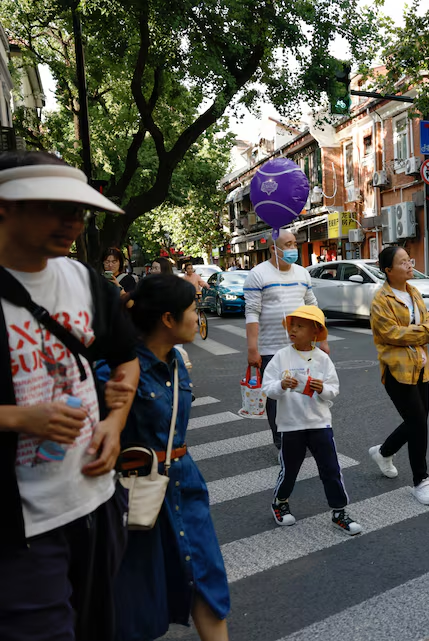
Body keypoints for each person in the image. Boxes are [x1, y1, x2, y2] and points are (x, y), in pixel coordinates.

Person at [0, 151, 140, 640]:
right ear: (5, 207)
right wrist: (19, 419)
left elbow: (126, 357)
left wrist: (114, 424)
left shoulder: (82, 280)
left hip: (97, 504)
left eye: (80, 211)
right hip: (21, 532)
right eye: (56, 208)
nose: (74, 223)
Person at [110, 275, 230, 641]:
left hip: (184, 484)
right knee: (137, 599)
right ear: (167, 319)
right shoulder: (120, 368)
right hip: (137, 494)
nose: (199, 318)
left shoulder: (177, 359)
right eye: (194, 310)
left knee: (207, 579)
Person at [262, 305, 361, 535]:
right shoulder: (281, 357)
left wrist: (322, 388)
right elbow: (268, 389)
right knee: (290, 469)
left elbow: (334, 389)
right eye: (291, 325)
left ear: (315, 332)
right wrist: (281, 385)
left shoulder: (322, 359)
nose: (293, 330)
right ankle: (280, 501)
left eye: (300, 326)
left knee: (331, 468)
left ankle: (339, 511)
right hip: (291, 425)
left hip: (320, 423)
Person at [368, 246, 429, 506]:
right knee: (418, 422)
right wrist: (426, 332)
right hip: (396, 371)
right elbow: (392, 334)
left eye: (409, 261)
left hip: (420, 366)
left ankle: (384, 452)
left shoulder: (413, 292)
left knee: (419, 420)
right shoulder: (381, 300)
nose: (409, 265)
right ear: (388, 270)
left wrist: (425, 328)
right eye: (402, 262)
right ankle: (421, 481)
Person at [245, 229, 327, 449]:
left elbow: (312, 306)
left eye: (294, 244)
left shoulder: (303, 273)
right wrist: (253, 349)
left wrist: (322, 340)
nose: (293, 249)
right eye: (288, 245)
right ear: (274, 248)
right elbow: (252, 312)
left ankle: (302, 435)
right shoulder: (258, 274)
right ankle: (281, 441)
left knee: (304, 392)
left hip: (303, 346)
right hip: (270, 348)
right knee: (277, 396)